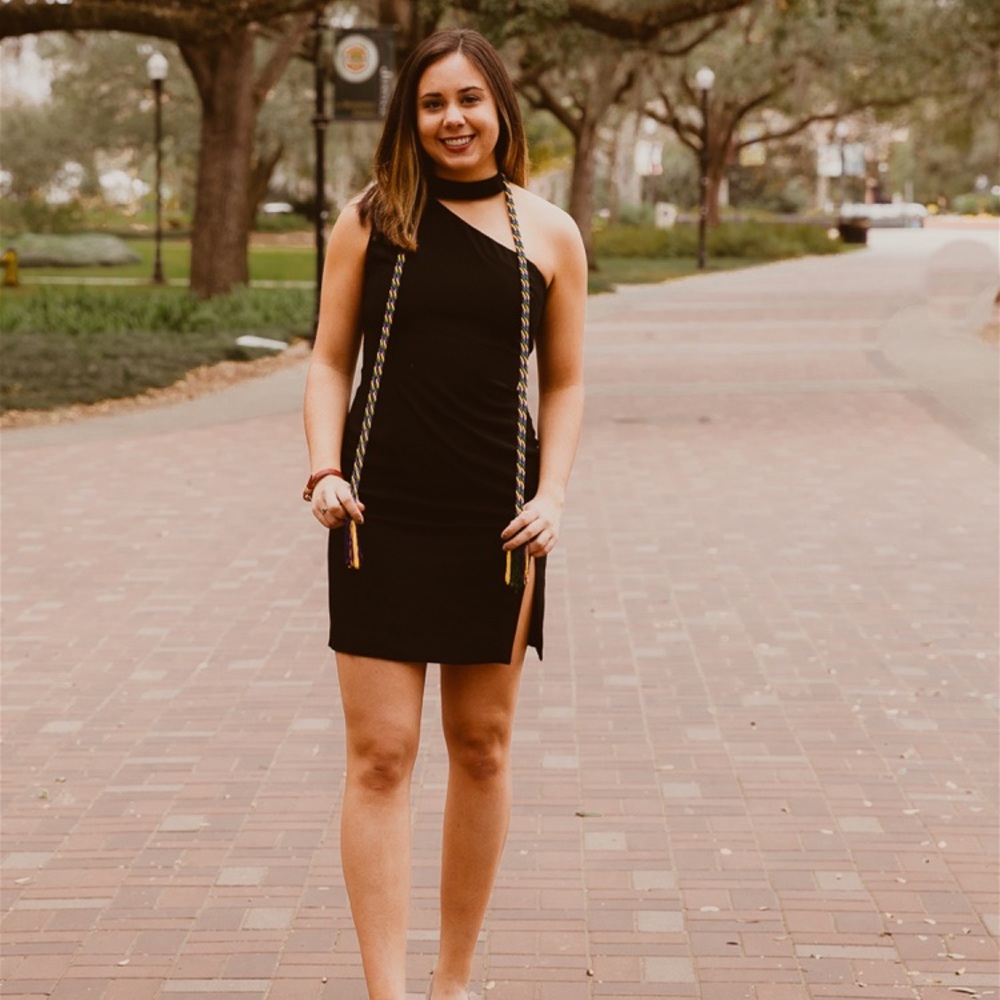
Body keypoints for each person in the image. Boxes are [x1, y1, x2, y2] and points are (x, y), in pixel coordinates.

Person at [302, 27, 586, 1000]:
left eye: (468, 98)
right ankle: (387, 991)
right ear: (408, 119)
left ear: (500, 107)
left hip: (497, 524)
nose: (452, 118)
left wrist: (552, 494)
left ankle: (452, 982)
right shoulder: (371, 221)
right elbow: (327, 358)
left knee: (482, 746)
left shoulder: (548, 233)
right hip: (377, 514)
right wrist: (322, 469)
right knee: (381, 755)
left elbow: (567, 381)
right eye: (431, 103)